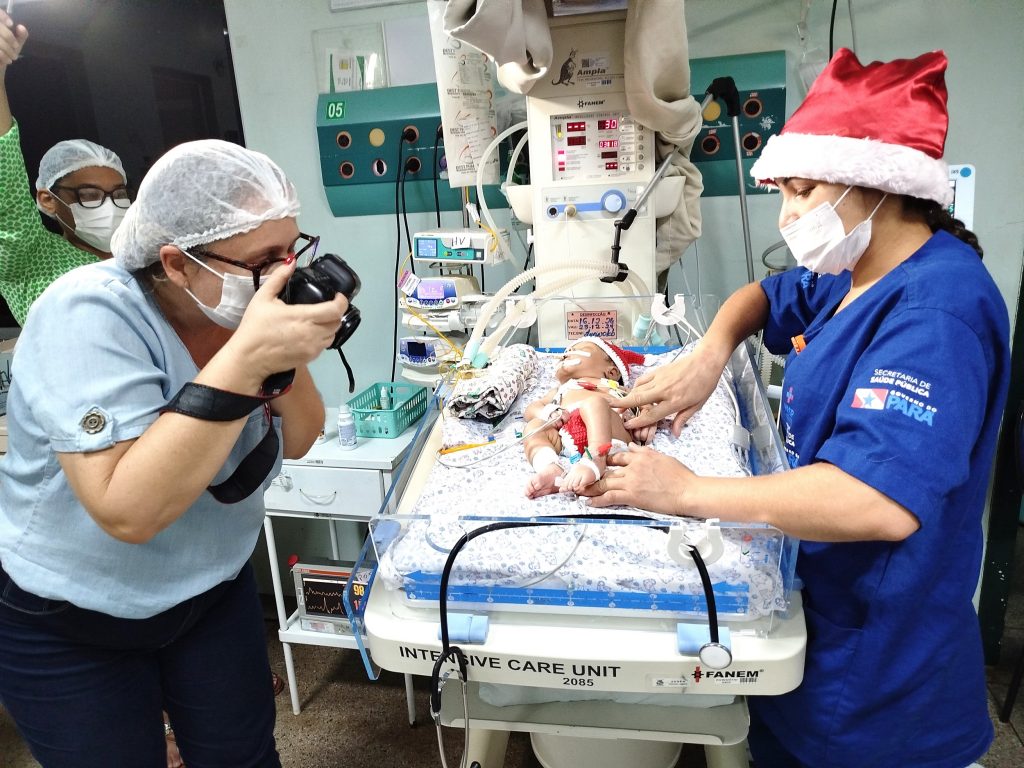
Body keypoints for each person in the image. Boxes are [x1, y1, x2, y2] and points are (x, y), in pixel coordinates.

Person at [583, 48, 1008, 768]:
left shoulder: (936, 313)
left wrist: (687, 492)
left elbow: (875, 501)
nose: (788, 216)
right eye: (781, 193)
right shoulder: (857, 269)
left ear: (877, 184)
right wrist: (710, 353)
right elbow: (765, 297)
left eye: (803, 192)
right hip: (814, 622)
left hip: (881, 683)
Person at [0, 138, 346, 767]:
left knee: (242, 756)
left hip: (208, 588)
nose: (283, 275)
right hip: (71, 612)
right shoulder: (86, 313)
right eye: (261, 261)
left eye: (290, 252)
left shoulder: (241, 310)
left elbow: (301, 436)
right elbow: (128, 511)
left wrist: (281, 349)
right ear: (178, 264)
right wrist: (247, 360)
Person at [0, 11, 130, 326]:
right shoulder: (31, 258)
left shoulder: (140, 258)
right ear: (48, 200)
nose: (111, 206)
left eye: (119, 194)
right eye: (90, 195)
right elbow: (6, 183)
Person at [523, 337, 651, 497]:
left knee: (594, 403)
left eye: (579, 350)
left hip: (609, 434)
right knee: (534, 426)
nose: (566, 354)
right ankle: (550, 468)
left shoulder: (616, 388)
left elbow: (645, 400)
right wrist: (549, 412)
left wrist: (646, 413)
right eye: (566, 352)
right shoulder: (562, 389)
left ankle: (595, 459)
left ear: (612, 372)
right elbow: (531, 409)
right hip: (567, 437)